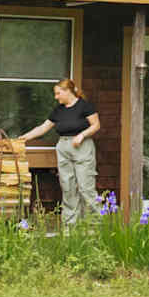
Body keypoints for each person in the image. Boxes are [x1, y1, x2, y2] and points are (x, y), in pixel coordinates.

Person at [20, 77, 100, 225]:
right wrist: (25, 137)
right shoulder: (59, 110)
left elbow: (96, 125)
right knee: (67, 186)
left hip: (82, 147)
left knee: (85, 187)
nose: (56, 97)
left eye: (58, 94)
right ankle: (70, 224)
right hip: (63, 148)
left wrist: (81, 135)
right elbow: (43, 127)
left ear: (68, 91)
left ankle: (95, 224)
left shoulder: (85, 106)